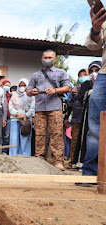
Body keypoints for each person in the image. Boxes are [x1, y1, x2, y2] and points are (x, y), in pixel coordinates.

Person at [27, 49, 71, 171]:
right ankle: (39, 158)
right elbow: (28, 91)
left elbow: (67, 87)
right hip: (40, 108)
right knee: (40, 134)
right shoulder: (36, 75)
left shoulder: (61, 73)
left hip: (55, 108)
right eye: (45, 57)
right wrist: (32, 92)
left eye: (50, 57)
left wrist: (55, 90)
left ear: (55, 59)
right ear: (42, 59)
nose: (47, 59)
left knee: (56, 134)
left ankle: (58, 160)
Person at [81, 4, 106, 176]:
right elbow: (93, 46)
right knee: (96, 126)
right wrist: (96, 29)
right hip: (105, 75)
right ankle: (90, 173)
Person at [73, 62, 100, 169]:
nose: (94, 73)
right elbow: (80, 97)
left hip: (102, 115)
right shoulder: (86, 84)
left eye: (97, 70)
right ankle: (82, 161)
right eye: (92, 71)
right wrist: (92, 90)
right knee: (87, 136)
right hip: (88, 114)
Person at [64, 69, 87, 168]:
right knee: (74, 140)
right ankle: (72, 161)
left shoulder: (89, 88)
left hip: (86, 118)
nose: (82, 77)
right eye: (80, 75)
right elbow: (69, 105)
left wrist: (82, 94)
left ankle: (84, 161)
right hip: (76, 118)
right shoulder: (74, 90)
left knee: (85, 140)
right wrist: (66, 117)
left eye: (84, 75)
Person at [9, 78, 35, 156]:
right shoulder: (14, 95)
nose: (22, 87)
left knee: (25, 139)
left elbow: (32, 108)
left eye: (24, 85)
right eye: (20, 85)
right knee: (14, 139)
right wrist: (16, 114)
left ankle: (25, 156)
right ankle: (13, 156)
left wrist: (25, 115)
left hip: (26, 120)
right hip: (15, 119)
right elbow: (10, 106)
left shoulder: (30, 96)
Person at [2, 80, 12, 154]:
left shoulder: (11, 95)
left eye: (9, 86)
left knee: (6, 135)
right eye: (6, 85)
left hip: (8, 118)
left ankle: (4, 151)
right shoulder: (0, 94)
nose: (7, 87)